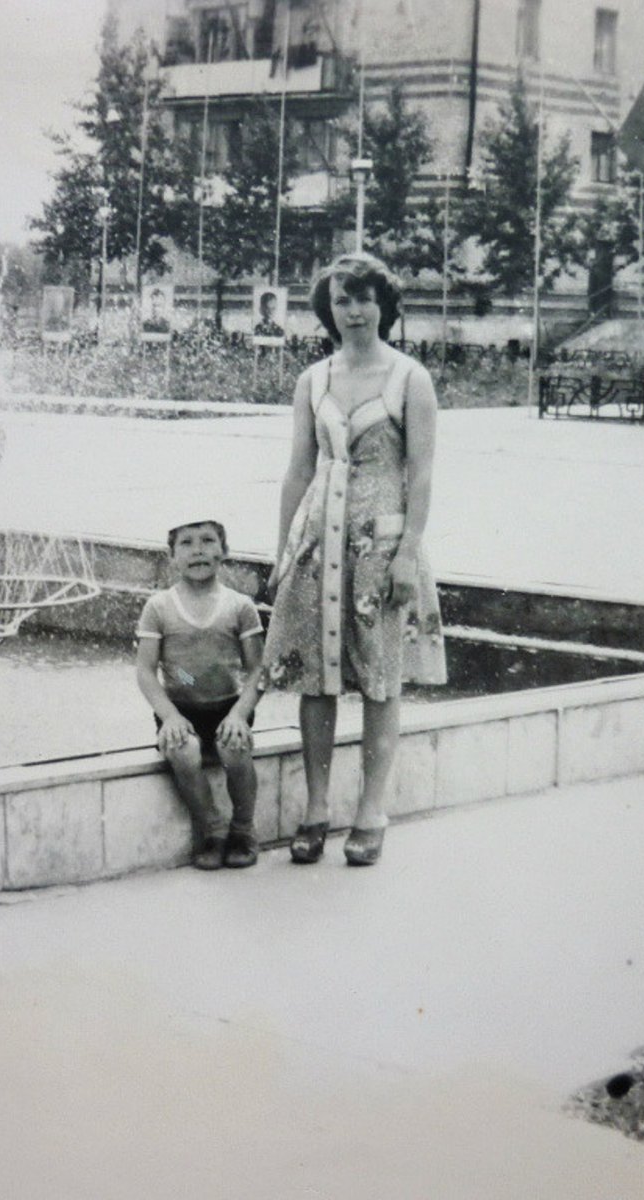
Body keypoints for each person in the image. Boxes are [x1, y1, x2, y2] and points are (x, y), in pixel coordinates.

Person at [259, 253, 446, 867]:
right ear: (328, 310)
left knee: (379, 680)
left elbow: (421, 475)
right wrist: (282, 552)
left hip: (380, 548)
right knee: (316, 678)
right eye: (342, 300)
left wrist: (406, 553)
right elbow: (298, 469)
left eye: (365, 298)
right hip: (320, 544)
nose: (355, 311)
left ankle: (371, 811)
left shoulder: (409, 378)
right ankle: (316, 809)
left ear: (384, 305)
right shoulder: (313, 380)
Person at [135, 519, 264, 870]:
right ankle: (211, 828)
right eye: (187, 543)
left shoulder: (240, 606)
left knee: (234, 747)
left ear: (224, 550)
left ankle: (243, 828)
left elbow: (258, 670)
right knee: (182, 750)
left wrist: (239, 715)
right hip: (180, 710)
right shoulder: (159, 607)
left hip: (227, 708)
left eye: (208, 541)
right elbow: (145, 671)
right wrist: (169, 716)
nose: (198, 551)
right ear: (171, 555)